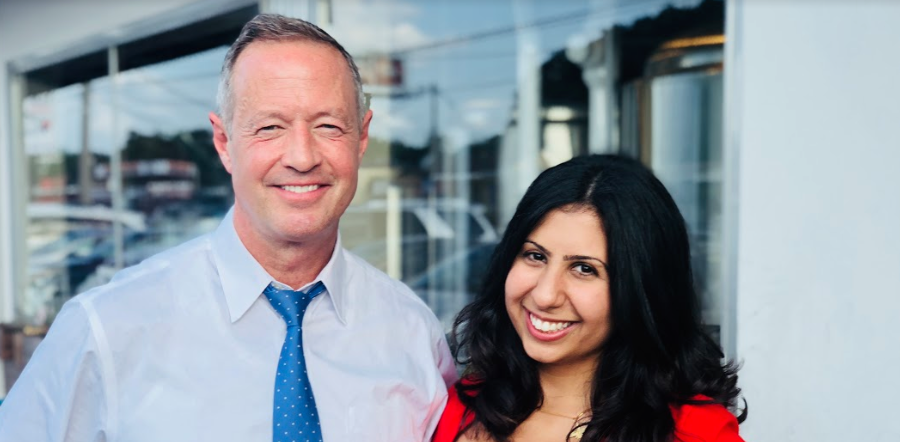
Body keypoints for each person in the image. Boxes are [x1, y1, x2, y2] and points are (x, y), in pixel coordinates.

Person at [0, 14, 456, 442]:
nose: (302, 156)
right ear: (224, 142)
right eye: (270, 127)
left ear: (361, 138)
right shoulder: (103, 330)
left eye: (329, 126)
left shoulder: (414, 335)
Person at [433, 154, 745, 442]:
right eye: (535, 256)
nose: (544, 295)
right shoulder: (462, 406)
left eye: (584, 268)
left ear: (641, 290)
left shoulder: (695, 431)